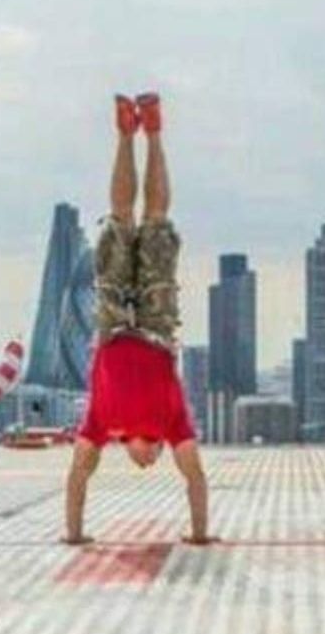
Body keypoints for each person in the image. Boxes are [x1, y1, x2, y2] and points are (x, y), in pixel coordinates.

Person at [61, 93, 213, 545]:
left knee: (123, 221)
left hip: (112, 321)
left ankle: (128, 133)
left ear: (129, 450)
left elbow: (77, 476)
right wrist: (200, 534)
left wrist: (74, 535)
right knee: (157, 220)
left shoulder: (103, 426)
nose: (149, 464)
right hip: (155, 320)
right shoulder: (171, 425)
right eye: (156, 460)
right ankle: (152, 131)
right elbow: (196, 478)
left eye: (141, 462)